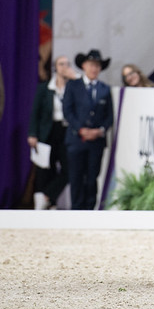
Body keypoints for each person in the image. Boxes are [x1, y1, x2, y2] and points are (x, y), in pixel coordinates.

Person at [63, 49, 114, 210]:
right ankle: (76, 209)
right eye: (92, 65)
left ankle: (90, 210)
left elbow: (109, 116)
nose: (94, 68)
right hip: (76, 140)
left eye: (97, 66)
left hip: (96, 141)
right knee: (76, 176)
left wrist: (100, 130)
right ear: (84, 66)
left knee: (92, 177)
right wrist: (81, 129)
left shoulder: (105, 89)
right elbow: (68, 111)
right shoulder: (73, 85)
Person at [27, 56, 77, 209]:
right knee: (46, 167)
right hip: (48, 130)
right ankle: (48, 203)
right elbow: (35, 112)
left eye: (67, 64)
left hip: (66, 131)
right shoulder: (45, 88)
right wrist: (32, 133)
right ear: (55, 67)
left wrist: (75, 79)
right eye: (61, 64)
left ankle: (47, 195)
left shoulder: (73, 87)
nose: (64, 67)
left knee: (68, 170)